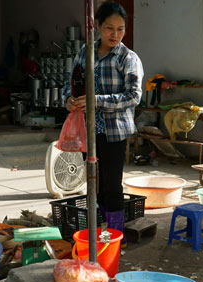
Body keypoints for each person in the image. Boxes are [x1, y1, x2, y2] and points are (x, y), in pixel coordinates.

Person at [62, 1, 144, 247]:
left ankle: (116, 238)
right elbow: (71, 81)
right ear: (97, 26)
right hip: (88, 130)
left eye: (120, 29)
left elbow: (133, 97)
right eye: (109, 28)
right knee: (93, 184)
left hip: (114, 131)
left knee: (111, 184)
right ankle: (98, 234)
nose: (115, 34)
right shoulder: (85, 51)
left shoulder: (128, 58)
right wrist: (68, 99)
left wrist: (96, 101)